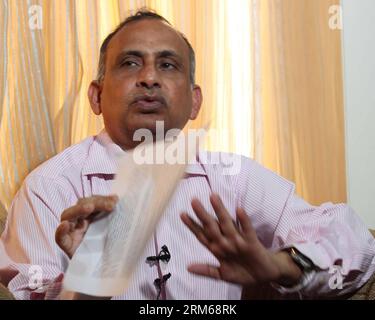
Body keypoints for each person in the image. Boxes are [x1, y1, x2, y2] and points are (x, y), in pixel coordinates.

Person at [1, 10, 374, 300]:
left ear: (195, 102)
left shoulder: (232, 177)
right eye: (130, 63)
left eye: (167, 64)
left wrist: (281, 265)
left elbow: (354, 241)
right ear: (96, 96)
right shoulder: (49, 188)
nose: (149, 77)